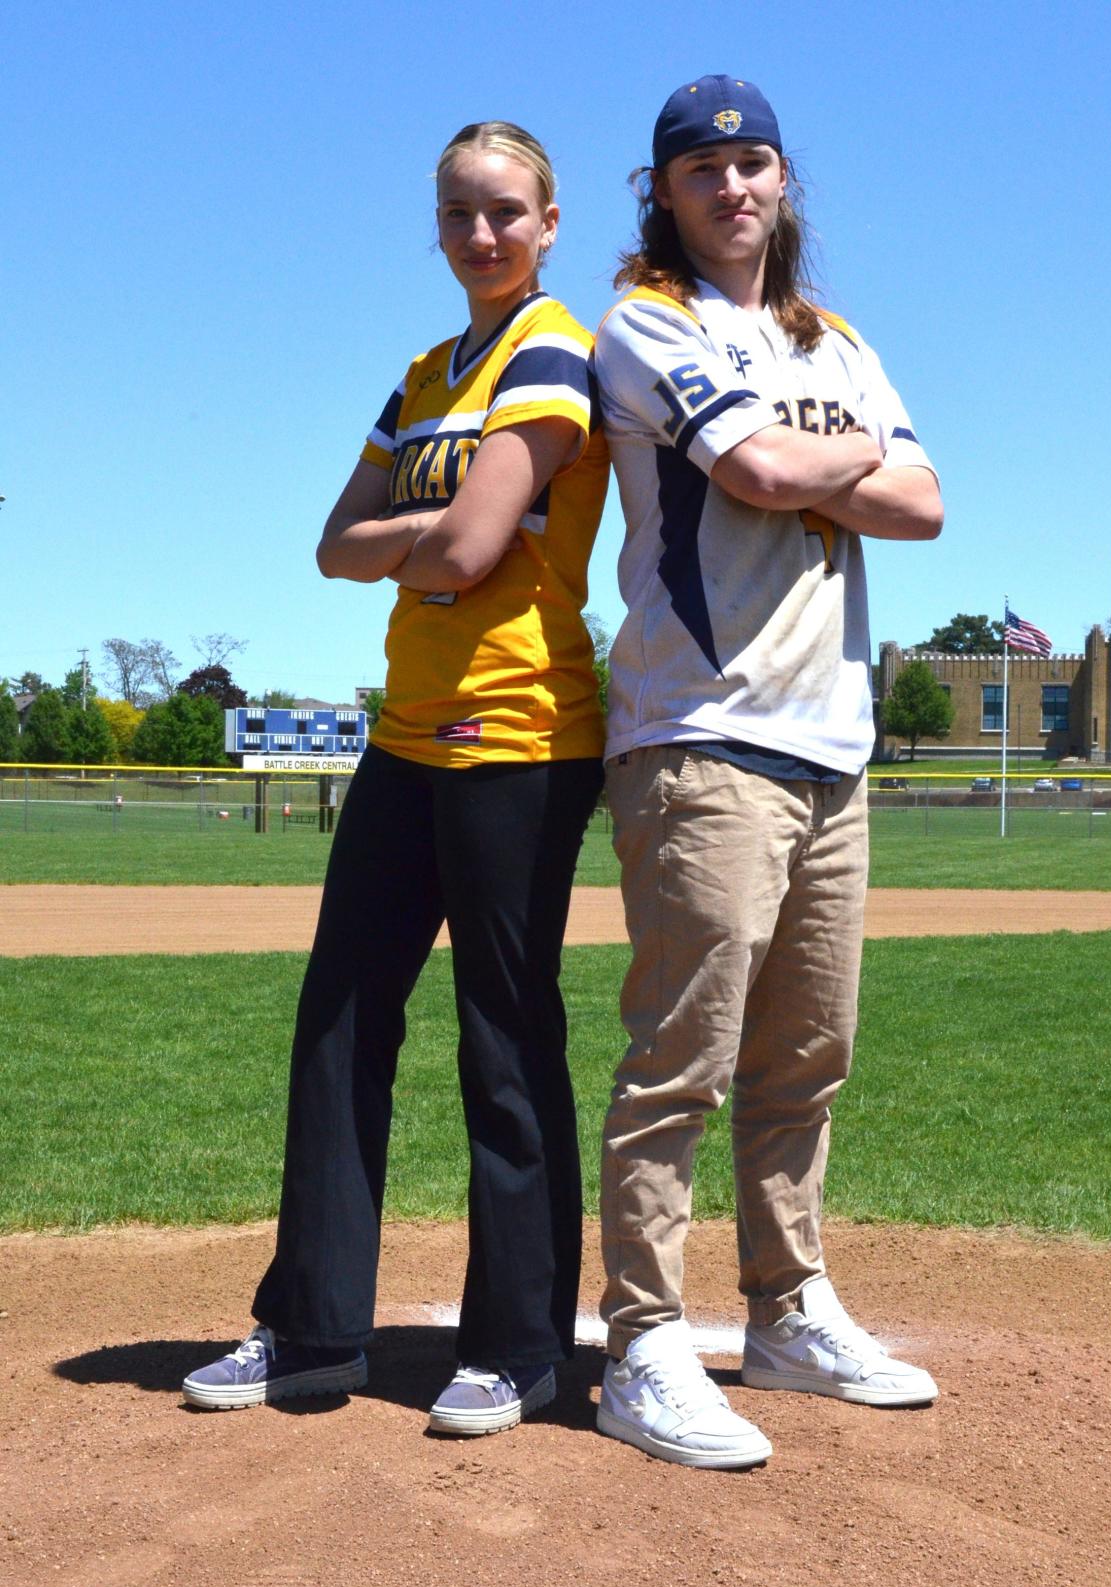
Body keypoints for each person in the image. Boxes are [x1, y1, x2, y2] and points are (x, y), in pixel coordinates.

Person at [183, 121, 609, 1436]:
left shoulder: (553, 350)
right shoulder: (429, 371)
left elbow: (477, 549)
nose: (477, 233)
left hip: (519, 732)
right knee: (341, 1019)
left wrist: (416, 538)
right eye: (455, 212)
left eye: (502, 211)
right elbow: (332, 544)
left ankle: (521, 1344)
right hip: (406, 730)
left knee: (502, 1032)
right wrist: (427, 538)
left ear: (547, 221)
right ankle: (311, 1327)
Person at [591, 75, 944, 1468]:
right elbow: (743, 467)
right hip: (701, 732)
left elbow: (921, 504)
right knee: (683, 1059)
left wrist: (823, 458)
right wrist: (835, 458)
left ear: (783, 182)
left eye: (753, 163)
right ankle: (641, 1343)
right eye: (702, 169)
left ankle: (787, 1309)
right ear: (663, 192)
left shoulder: (833, 337)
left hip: (831, 740)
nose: (732, 186)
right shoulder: (646, 319)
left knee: (807, 1055)